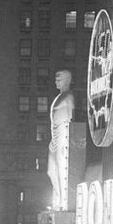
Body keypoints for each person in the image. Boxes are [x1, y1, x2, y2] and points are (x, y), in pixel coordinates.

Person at [47, 69, 76, 210]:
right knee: (51, 171)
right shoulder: (59, 97)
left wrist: (67, 139)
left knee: (62, 170)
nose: (56, 81)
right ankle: (58, 200)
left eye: (59, 79)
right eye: (56, 79)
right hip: (54, 138)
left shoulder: (69, 97)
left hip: (63, 136)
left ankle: (63, 202)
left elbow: (70, 118)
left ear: (67, 80)